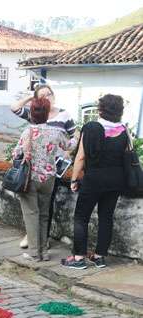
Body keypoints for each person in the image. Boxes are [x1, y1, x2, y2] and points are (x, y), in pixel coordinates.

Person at [62, 94, 128, 269]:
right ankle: (99, 257)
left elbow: (81, 157)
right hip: (116, 180)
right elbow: (127, 156)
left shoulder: (91, 127)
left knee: (81, 217)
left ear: (101, 109)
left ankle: (78, 258)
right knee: (106, 217)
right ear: (119, 111)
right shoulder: (124, 130)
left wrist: (74, 179)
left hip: (94, 179)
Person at [11, 84, 76, 249]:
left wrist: (67, 152)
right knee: (34, 208)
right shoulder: (35, 113)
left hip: (54, 167)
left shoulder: (64, 115)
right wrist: (30, 98)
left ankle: (42, 240)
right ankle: (34, 238)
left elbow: (74, 136)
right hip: (34, 169)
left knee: (44, 206)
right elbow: (15, 108)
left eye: (49, 94)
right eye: (42, 95)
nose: (47, 97)